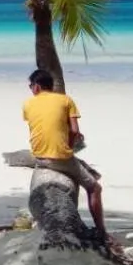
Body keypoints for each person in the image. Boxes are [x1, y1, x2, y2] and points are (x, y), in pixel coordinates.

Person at [23, 68, 106, 238]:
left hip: (39, 157)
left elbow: (37, 129)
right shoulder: (66, 100)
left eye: (31, 86)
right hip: (60, 158)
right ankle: (102, 231)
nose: (31, 89)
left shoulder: (28, 104)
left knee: (75, 162)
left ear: (37, 87)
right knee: (95, 188)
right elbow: (75, 131)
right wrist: (68, 146)